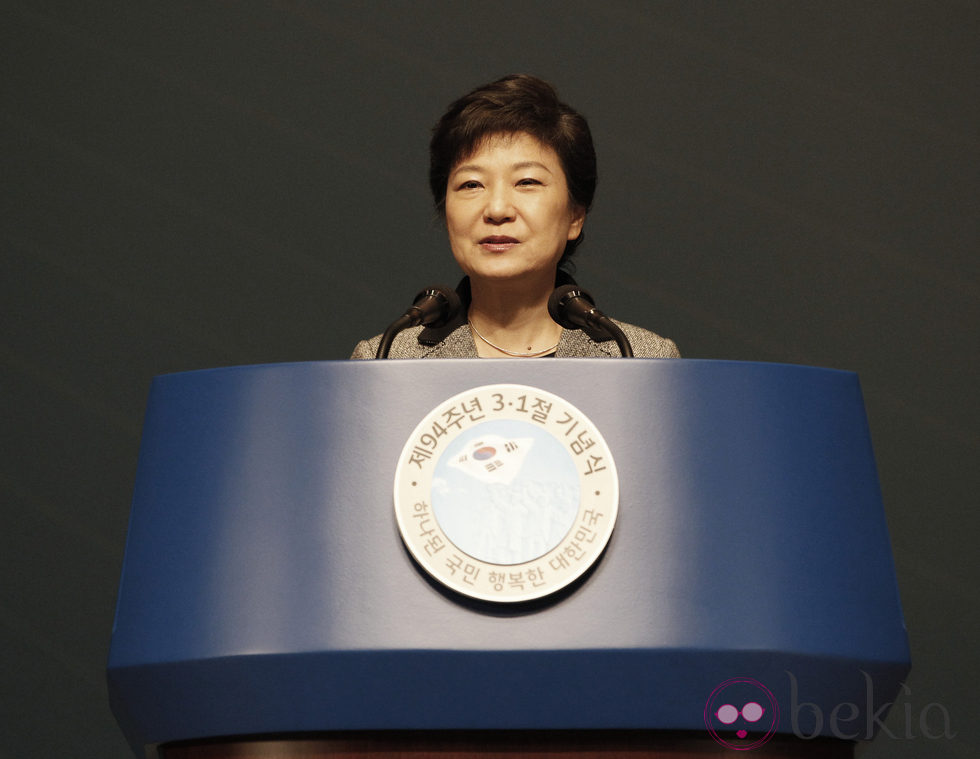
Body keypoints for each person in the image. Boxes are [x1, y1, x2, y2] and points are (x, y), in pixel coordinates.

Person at [350, 74, 679, 359]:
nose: (496, 210)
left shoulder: (641, 358)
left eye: (527, 182)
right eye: (471, 184)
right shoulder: (387, 359)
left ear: (575, 216)